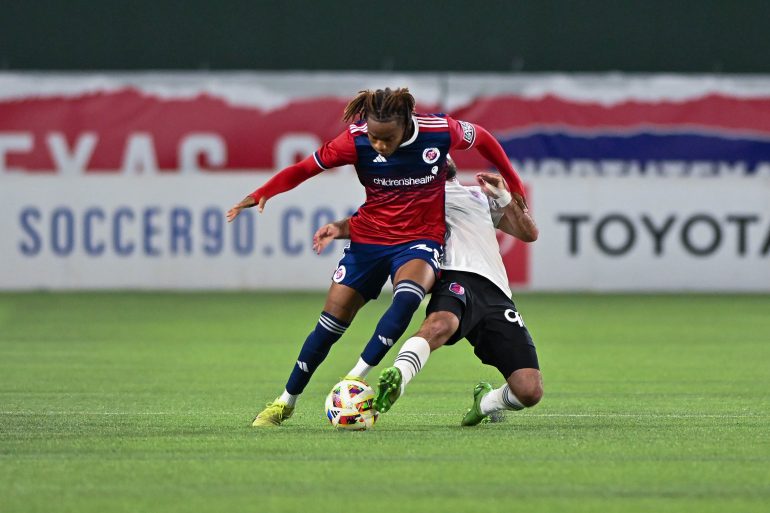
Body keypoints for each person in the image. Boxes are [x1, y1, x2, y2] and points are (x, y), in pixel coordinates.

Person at [227, 88, 527, 427]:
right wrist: (264, 192)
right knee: (329, 325)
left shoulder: (439, 131)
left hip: (418, 239)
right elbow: (304, 168)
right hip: (369, 239)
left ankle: (354, 378)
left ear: (406, 124)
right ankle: (285, 402)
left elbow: (483, 138)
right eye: (374, 137)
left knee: (408, 298)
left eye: (387, 139)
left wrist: (514, 183)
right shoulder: (354, 140)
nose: (379, 145)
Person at [313, 156, 542, 425]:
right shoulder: (415, 199)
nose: (442, 154)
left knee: (529, 391)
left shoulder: (479, 196)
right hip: (453, 276)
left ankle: (486, 402)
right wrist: (337, 228)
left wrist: (504, 196)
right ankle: (398, 378)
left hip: (497, 292)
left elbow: (529, 233)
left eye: (444, 150)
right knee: (441, 324)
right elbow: (371, 222)